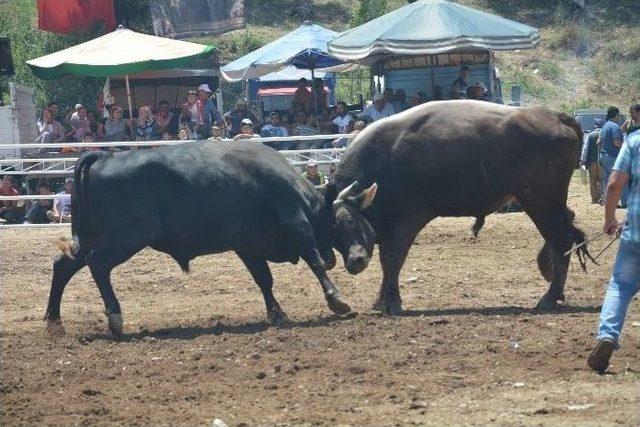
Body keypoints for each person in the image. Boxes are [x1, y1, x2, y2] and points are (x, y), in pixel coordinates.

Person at [587, 130, 640, 374]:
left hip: (636, 232)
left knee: (620, 286)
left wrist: (610, 218)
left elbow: (614, 183)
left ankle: (607, 335)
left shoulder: (634, 141)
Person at [599, 106, 627, 207]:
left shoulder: (605, 126)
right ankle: (625, 202)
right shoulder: (615, 127)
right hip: (613, 157)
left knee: (608, 181)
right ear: (616, 115)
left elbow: (599, 142)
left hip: (604, 157)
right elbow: (616, 142)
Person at [581, 118, 604, 203]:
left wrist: (583, 159)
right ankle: (602, 197)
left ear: (595, 125)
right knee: (602, 179)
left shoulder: (590, 135)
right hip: (602, 161)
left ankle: (595, 198)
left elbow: (585, 149)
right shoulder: (604, 134)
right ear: (603, 125)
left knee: (593, 179)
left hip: (592, 161)